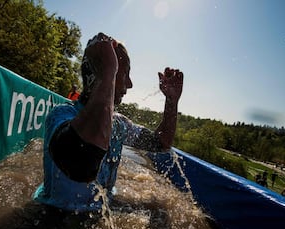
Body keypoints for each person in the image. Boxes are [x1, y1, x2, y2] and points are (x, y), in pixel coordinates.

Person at [33, 32, 184, 212]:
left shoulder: (120, 125)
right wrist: (107, 74)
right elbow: (81, 166)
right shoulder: (60, 116)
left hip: (102, 211)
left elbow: (161, 143)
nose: (129, 84)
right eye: (124, 73)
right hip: (54, 219)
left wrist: (171, 102)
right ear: (103, 71)